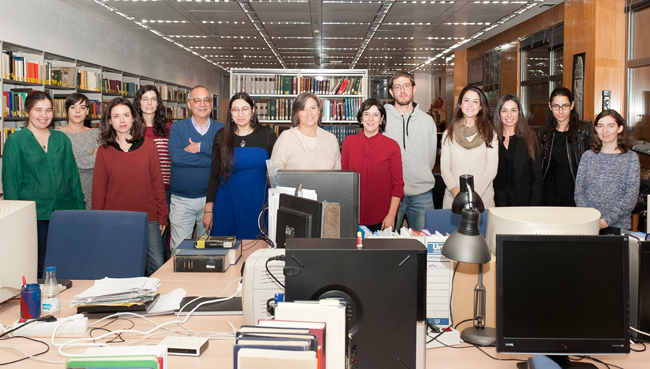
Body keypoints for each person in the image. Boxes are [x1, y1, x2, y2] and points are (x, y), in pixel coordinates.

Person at [2, 91, 84, 277]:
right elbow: (10, 183)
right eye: (38, 110)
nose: (44, 115)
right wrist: (15, 220)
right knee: (39, 265)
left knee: (67, 262)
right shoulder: (16, 141)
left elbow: (73, 176)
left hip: (65, 213)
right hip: (34, 216)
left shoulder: (62, 139)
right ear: (27, 111)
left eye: (48, 110)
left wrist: (80, 208)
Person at [92, 97, 168, 276]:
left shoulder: (149, 145)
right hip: (115, 218)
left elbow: (157, 183)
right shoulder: (104, 151)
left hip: (147, 217)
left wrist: (162, 216)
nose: (122, 120)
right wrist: (97, 221)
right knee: (121, 266)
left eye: (126, 115)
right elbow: (98, 190)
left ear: (134, 117)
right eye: (116, 116)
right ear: (109, 121)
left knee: (157, 265)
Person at [203, 92, 277, 239]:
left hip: (258, 202)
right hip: (227, 201)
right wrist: (208, 209)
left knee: (257, 249)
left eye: (244, 108)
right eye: (235, 109)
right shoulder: (221, 135)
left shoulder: (267, 134)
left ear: (253, 110)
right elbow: (214, 173)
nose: (240, 113)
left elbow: (276, 173)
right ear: (230, 112)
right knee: (226, 250)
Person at [168, 85, 224, 255]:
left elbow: (225, 160)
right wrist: (213, 156)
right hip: (182, 200)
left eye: (206, 100)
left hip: (212, 201)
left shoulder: (222, 130)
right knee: (179, 251)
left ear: (211, 104)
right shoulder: (178, 128)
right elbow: (177, 158)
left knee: (208, 251)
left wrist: (201, 146)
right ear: (189, 104)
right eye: (197, 100)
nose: (202, 104)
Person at [383, 71, 437, 231]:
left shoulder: (427, 121)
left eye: (406, 86)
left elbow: (431, 158)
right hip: (391, 193)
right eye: (397, 87)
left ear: (414, 89)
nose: (402, 90)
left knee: (423, 246)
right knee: (388, 245)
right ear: (391, 92)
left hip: (422, 193)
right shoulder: (382, 119)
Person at [342, 98, 404, 232]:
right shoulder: (348, 143)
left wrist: (391, 215)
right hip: (353, 217)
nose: (371, 119)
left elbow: (398, 186)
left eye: (376, 115)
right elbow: (344, 182)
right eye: (366, 114)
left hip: (382, 219)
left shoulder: (392, 146)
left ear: (381, 118)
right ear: (360, 118)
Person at [575, 109, 639, 233]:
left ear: (620, 128)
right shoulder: (588, 156)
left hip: (619, 226)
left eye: (611, 126)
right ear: (596, 129)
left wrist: (607, 220)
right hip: (588, 225)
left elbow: (631, 196)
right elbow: (579, 192)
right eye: (600, 126)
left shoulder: (631, 158)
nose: (605, 131)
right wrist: (591, 218)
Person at [440, 86, 498, 209]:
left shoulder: (490, 134)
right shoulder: (449, 134)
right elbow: (445, 168)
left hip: (482, 200)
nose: (470, 105)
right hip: (453, 200)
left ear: (481, 106)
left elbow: (491, 169)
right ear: (460, 104)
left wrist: (472, 196)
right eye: (466, 100)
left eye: (475, 101)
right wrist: (457, 193)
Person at [134, 85, 173, 253]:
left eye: (153, 99)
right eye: (145, 99)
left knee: (162, 234)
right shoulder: (131, 128)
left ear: (158, 103)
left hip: (165, 189)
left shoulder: (169, 127)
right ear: (138, 102)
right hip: (140, 189)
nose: (149, 103)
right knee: (139, 235)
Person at [539, 87, 592, 206]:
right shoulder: (545, 132)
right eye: (556, 106)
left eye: (565, 106)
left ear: (572, 105)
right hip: (550, 193)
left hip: (575, 192)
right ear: (550, 106)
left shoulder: (585, 131)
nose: (561, 111)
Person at [492, 94, 543, 206]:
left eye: (513, 110)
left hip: (523, 201)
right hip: (496, 202)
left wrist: (534, 205)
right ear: (499, 113)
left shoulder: (530, 138)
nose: (509, 115)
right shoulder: (492, 139)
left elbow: (537, 175)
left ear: (519, 112)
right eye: (504, 110)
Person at [271, 92, 341, 170]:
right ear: (297, 114)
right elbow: (274, 171)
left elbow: (337, 172)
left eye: (313, 108)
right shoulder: (286, 137)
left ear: (319, 111)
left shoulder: (331, 139)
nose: (309, 113)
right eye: (303, 109)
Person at [57, 93, 100, 210]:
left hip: (92, 191)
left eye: (82, 107)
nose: (77, 111)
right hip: (65, 191)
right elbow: (57, 164)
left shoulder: (97, 134)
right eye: (73, 107)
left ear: (87, 111)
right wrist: (90, 160)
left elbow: (101, 161)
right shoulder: (56, 135)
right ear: (67, 110)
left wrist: (68, 160)